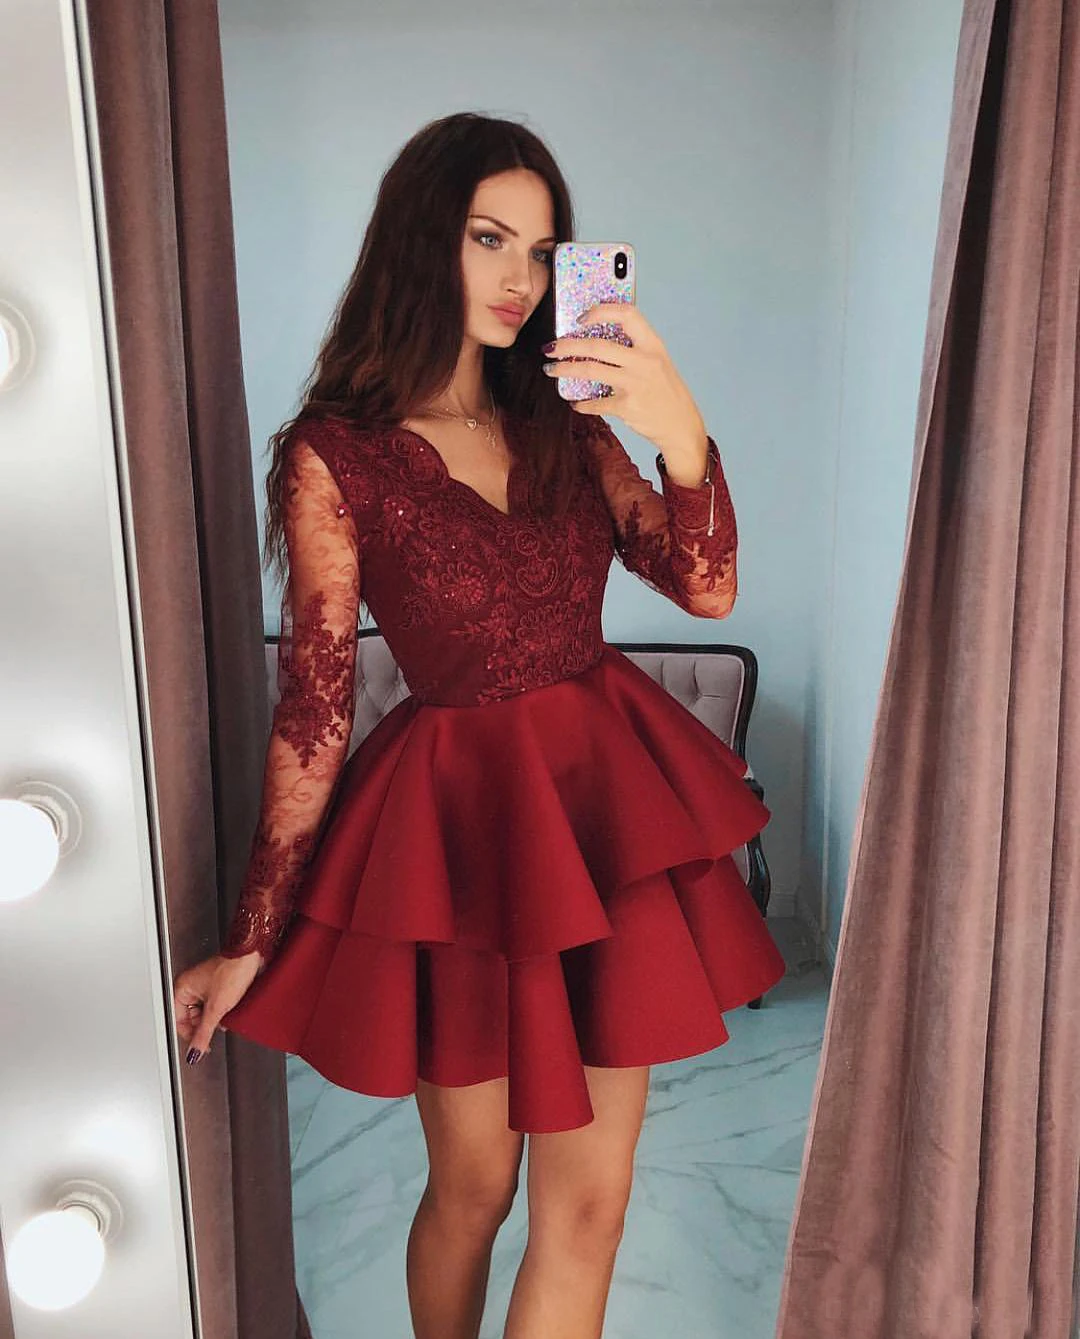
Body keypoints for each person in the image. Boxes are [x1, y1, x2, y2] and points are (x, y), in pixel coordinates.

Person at [172, 110, 786, 1339]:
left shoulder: (569, 425)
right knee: (474, 1190)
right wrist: (252, 934)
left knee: (592, 1204)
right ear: (421, 238)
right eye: (488, 237)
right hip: (459, 835)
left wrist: (677, 423)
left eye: (543, 249)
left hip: (605, 815)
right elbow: (317, 708)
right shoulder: (336, 456)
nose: (521, 277)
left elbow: (706, 588)